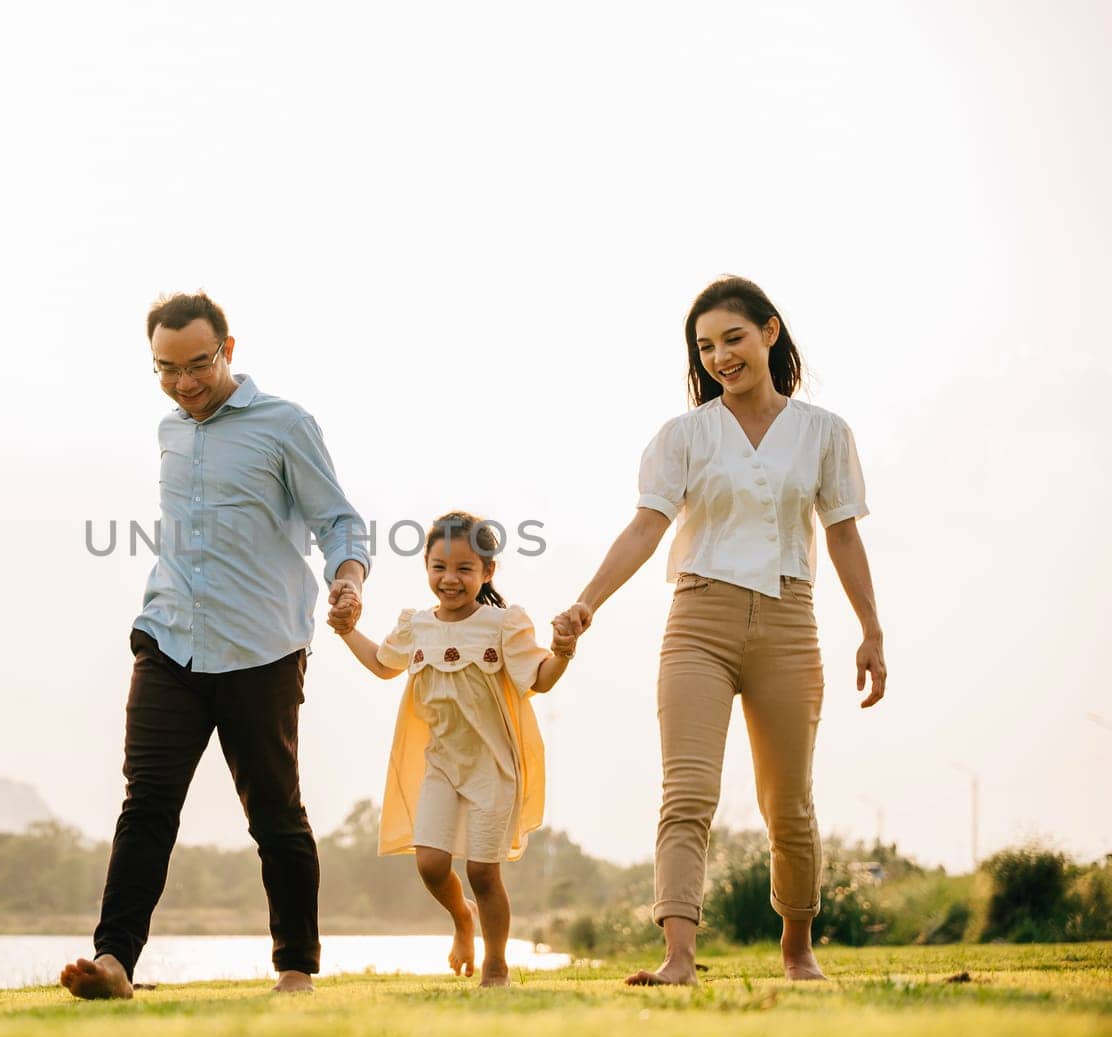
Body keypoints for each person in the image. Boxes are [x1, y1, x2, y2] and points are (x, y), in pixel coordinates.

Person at [556, 276, 886, 986]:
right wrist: (587, 604)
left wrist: (871, 629)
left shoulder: (825, 432)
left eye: (732, 338)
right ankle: (678, 957)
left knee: (789, 803)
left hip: (790, 624)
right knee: (688, 792)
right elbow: (647, 526)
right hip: (698, 622)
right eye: (705, 347)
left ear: (770, 332)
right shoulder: (683, 436)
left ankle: (797, 951)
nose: (720, 356)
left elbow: (844, 536)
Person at [60, 292, 370, 999]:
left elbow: (340, 522)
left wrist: (348, 581)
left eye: (198, 364)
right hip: (170, 639)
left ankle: (295, 969)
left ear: (230, 347)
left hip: (262, 649)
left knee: (275, 815)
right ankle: (113, 962)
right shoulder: (170, 430)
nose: (185, 382)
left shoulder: (285, 424)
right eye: (167, 369)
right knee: (146, 805)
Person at [329, 512, 574, 987]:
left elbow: (539, 679)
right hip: (440, 766)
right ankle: (462, 920)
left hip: (493, 768)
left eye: (464, 568)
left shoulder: (503, 625)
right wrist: (345, 631)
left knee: (484, 872)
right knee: (431, 863)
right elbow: (383, 665)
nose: (450, 579)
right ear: (426, 567)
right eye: (439, 566)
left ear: (487, 573)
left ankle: (497, 963)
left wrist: (562, 651)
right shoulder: (417, 626)